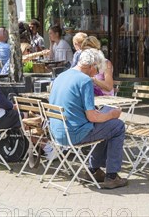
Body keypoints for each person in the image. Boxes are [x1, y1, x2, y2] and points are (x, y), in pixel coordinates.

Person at [49, 48, 128, 189]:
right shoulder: (85, 81)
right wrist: (111, 115)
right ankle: (111, 176)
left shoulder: (61, 76)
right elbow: (92, 116)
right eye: (97, 69)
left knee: (106, 126)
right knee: (117, 125)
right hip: (74, 134)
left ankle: (94, 170)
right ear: (91, 66)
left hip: (57, 133)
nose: (97, 73)